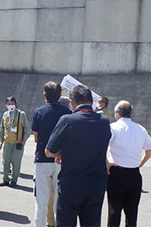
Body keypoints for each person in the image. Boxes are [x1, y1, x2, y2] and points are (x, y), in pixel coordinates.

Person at [45, 84, 111, 227]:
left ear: (72, 102)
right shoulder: (104, 122)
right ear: (91, 102)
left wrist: (62, 151)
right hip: (95, 185)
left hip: (71, 185)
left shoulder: (67, 120)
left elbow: (49, 151)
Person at [106, 100, 151, 227]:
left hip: (116, 171)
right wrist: (141, 163)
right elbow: (150, 148)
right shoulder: (141, 129)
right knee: (132, 211)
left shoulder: (113, 128)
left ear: (117, 113)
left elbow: (102, 146)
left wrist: (107, 163)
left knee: (114, 209)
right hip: (134, 172)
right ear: (131, 113)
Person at [31, 81, 72, 227]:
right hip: (61, 160)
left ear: (44, 96)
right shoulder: (68, 113)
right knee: (59, 200)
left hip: (42, 158)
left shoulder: (38, 112)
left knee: (41, 201)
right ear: (60, 95)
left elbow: (36, 138)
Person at [0, 96, 31, 187]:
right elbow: (2, 128)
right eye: (8, 104)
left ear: (16, 104)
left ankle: (14, 180)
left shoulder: (21, 114)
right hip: (7, 142)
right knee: (6, 161)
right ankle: (5, 179)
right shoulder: (5, 115)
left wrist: (24, 140)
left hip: (17, 142)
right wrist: (1, 141)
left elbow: (27, 130)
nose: (10, 105)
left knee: (16, 162)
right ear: (6, 105)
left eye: (12, 103)